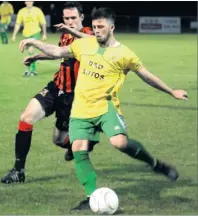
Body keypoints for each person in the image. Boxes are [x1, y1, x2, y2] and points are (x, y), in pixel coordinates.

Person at [19, 7, 188, 211]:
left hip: (105, 106)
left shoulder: (124, 54)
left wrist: (172, 91)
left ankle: (155, 164)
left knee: (120, 143)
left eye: (101, 27)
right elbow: (56, 52)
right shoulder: (84, 44)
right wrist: (32, 43)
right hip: (80, 109)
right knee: (78, 149)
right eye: (95, 26)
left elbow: (146, 75)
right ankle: (91, 197)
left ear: (112, 27)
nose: (97, 30)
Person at [1, 1, 94, 184]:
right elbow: (57, 53)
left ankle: (79, 145)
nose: (69, 21)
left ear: (82, 17)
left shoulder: (88, 36)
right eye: (66, 18)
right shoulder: (66, 35)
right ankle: (18, 171)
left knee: (58, 140)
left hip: (72, 97)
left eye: (73, 18)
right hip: (56, 87)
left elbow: (63, 51)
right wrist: (36, 56)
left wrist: (34, 43)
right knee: (26, 117)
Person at [12, 1, 47, 76]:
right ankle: (32, 70)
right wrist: (14, 35)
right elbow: (18, 24)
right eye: (27, 1)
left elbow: (43, 23)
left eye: (30, 1)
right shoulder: (21, 11)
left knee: (31, 51)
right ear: (25, 2)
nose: (29, 2)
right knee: (30, 53)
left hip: (35, 33)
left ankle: (30, 70)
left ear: (33, 2)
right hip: (26, 35)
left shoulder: (37, 10)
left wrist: (44, 34)